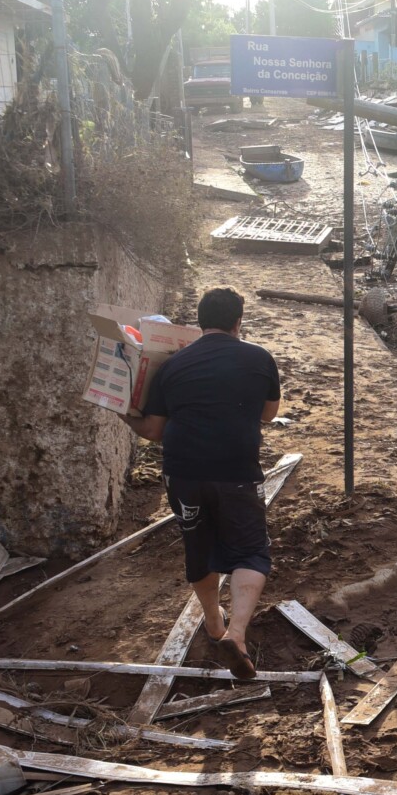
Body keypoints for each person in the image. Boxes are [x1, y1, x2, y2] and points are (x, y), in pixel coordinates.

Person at [121, 288, 282, 681]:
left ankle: (213, 624)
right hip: (236, 471)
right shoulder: (259, 358)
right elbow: (268, 413)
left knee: (200, 546)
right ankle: (237, 635)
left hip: (184, 473)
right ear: (238, 321)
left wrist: (124, 413)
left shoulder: (174, 365)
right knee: (250, 551)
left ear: (199, 321)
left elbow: (154, 430)